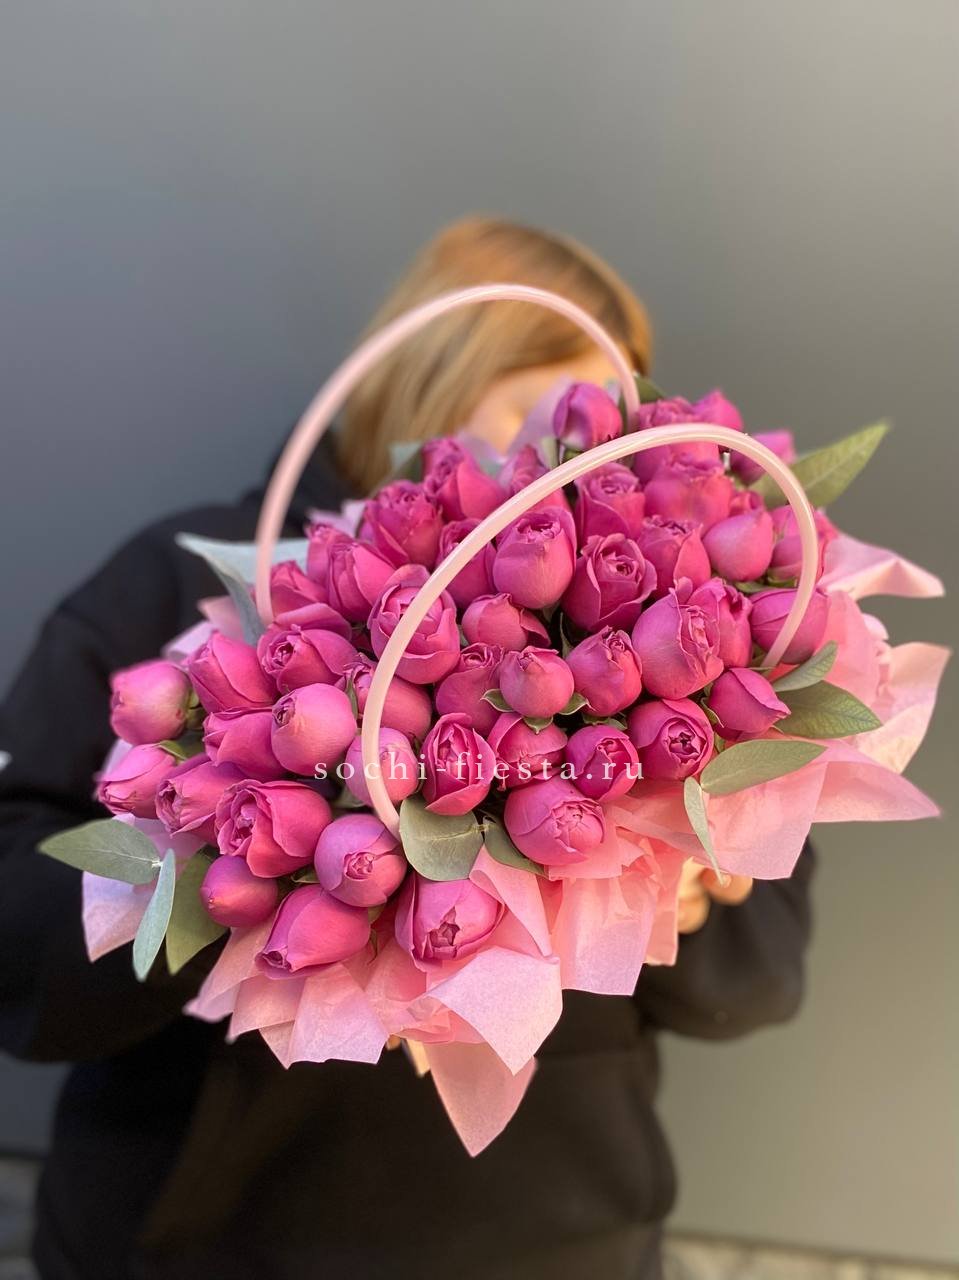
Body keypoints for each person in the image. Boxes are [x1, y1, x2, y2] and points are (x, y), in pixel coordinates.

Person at [0, 215, 813, 1280]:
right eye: (540, 420)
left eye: (602, 432)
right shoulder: (178, 587)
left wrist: (686, 895)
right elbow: (14, 926)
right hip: (199, 1243)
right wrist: (217, 873)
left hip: (552, 1244)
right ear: (428, 379)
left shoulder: (669, 648)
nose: (564, 466)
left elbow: (763, 982)